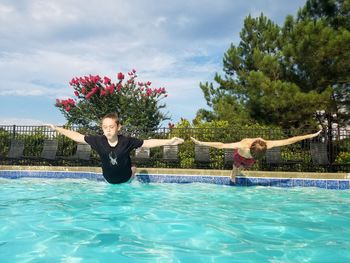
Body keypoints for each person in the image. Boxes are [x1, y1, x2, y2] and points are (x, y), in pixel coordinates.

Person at [47, 112, 184, 184]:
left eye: (111, 127)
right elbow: (77, 136)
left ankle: (133, 169)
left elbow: (147, 143)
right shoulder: (98, 141)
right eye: (105, 127)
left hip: (127, 179)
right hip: (109, 180)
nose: (108, 130)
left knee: (131, 169)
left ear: (118, 127)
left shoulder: (126, 141)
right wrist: (57, 128)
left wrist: (170, 142)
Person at [191, 129, 322, 183]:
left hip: (249, 159)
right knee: (236, 167)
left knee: (244, 167)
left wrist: (310, 135)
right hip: (240, 155)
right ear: (251, 148)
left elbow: (291, 140)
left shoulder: (267, 144)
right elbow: (221, 145)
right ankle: (234, 172)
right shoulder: (243, 145)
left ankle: (239, 170)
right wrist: (201, 143)